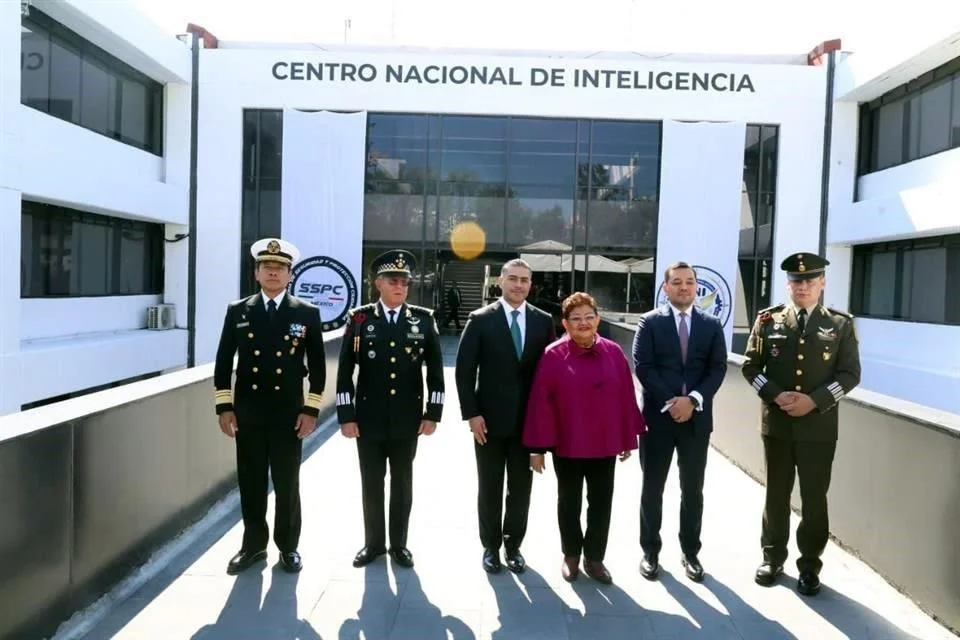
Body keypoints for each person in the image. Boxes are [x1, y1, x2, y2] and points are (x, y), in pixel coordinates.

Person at [741, 252, 861, 596]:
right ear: (788, 285)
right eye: (796, 281)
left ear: (822, 283)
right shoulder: (768, 321)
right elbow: (750, 367)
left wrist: (814, 401)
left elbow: (850, 375)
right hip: (777, 426)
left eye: (809, 280)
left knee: (814, 499)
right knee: (775, 495)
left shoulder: (839, 324)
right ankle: (772, 558)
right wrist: (776, 395)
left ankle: (809, 566)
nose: (803, 286)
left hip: (818, 429)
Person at [213, 237, 326, 575]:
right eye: (267, 267)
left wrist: (311, 410)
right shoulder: (239, 310)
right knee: (251, 482)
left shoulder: (306, 313)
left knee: (287, 483)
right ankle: (253, 545)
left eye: (280, 268)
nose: (273, 272)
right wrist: (224, 407)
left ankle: (288, 547)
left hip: (288, 414)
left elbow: (318, 367)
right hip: (248, 413)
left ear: (290, 274)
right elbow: (223, 362)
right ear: (257, 273)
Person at [523, 292, 646, 584]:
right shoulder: (553, 355)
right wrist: (537, 448)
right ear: (565, 323)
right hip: (567, 442)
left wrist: (626, 438)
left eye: (589, 317)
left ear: (598, 320)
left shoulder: (613, 352)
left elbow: (625, 396)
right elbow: (540, 402)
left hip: (604, 443)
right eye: (576, 318)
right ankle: (571, 555)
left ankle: (595, 558)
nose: (583, 323)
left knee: (601, 502)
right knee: (569, 502)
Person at [336, 249, 445, 569]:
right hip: (367, 419)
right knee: (371, 483)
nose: (400, 286)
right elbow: (344, 371)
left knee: (402, 484)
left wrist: (432, 413)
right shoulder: (360, 318)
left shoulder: (423, 319)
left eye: (405, 282)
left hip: (407, 419)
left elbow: (435, 371)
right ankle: (373, 544)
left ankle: (399, 545)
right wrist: (346, 416)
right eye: (393, 280)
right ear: (378, 284)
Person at [454, 258, 556, 574]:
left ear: (530, 284)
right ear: (501, 281)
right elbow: (464, 371)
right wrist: (472, 414)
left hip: (528, 424)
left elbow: (550, 374)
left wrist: (547, 421)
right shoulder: (480, 319)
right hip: (488, 423)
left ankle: (514, 547)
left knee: (521, 489)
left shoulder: (543, 321)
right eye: (513, 279)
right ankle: (490, 546)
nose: (518, 285)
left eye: (524, 280)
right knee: (490, 486)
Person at [632, 261, 728, 583]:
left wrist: (694, 400)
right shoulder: (649, 323)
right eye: (677, 282)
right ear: (666, 287)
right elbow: (643, 367)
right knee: (652, 488)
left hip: (696, 421)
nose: (684, 287)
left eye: (689, 282)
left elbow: (717, 368)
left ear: (696, 287)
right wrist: (672, 402)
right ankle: (650, 551)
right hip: (658, 419)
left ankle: (691, 552)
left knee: (693, 490)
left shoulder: (711, 324)